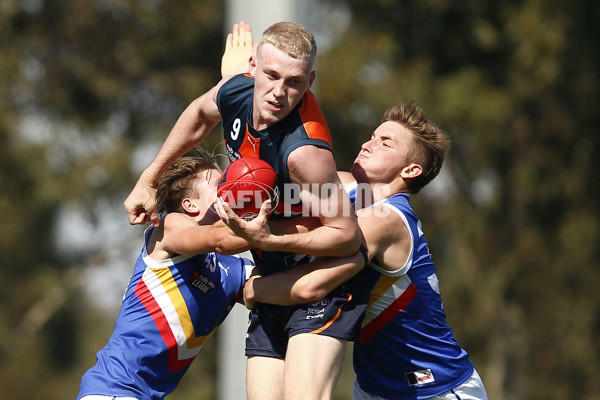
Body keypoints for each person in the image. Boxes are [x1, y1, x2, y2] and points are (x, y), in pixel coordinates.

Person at [123, 21, 364, 400]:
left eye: (294, 82)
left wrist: (267, 237)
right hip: (271, 274)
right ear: (252, 67)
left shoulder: (305, 154)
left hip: (318, 278)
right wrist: (150, 178)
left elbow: (347, 236)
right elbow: (200, 115)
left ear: (310, 80)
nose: (279, 93)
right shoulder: (236, 90)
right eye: (270, 75)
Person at [240, 102, 489, 400]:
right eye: (372, 136)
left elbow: (311, 285)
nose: (367, 145)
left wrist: (254, 288)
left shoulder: (389, 220)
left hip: (436, 389)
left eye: (385, 143)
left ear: (411, 169)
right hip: (374, 389)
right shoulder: (346, 189)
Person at [77, 153, 256, 400]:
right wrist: (270, 225)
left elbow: (297, 290)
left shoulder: (232, 270)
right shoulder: (169, 228)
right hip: (113, 389)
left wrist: (325, 237)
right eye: (220, 185)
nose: (231, 189)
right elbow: (219, 238)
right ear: (190, 205)